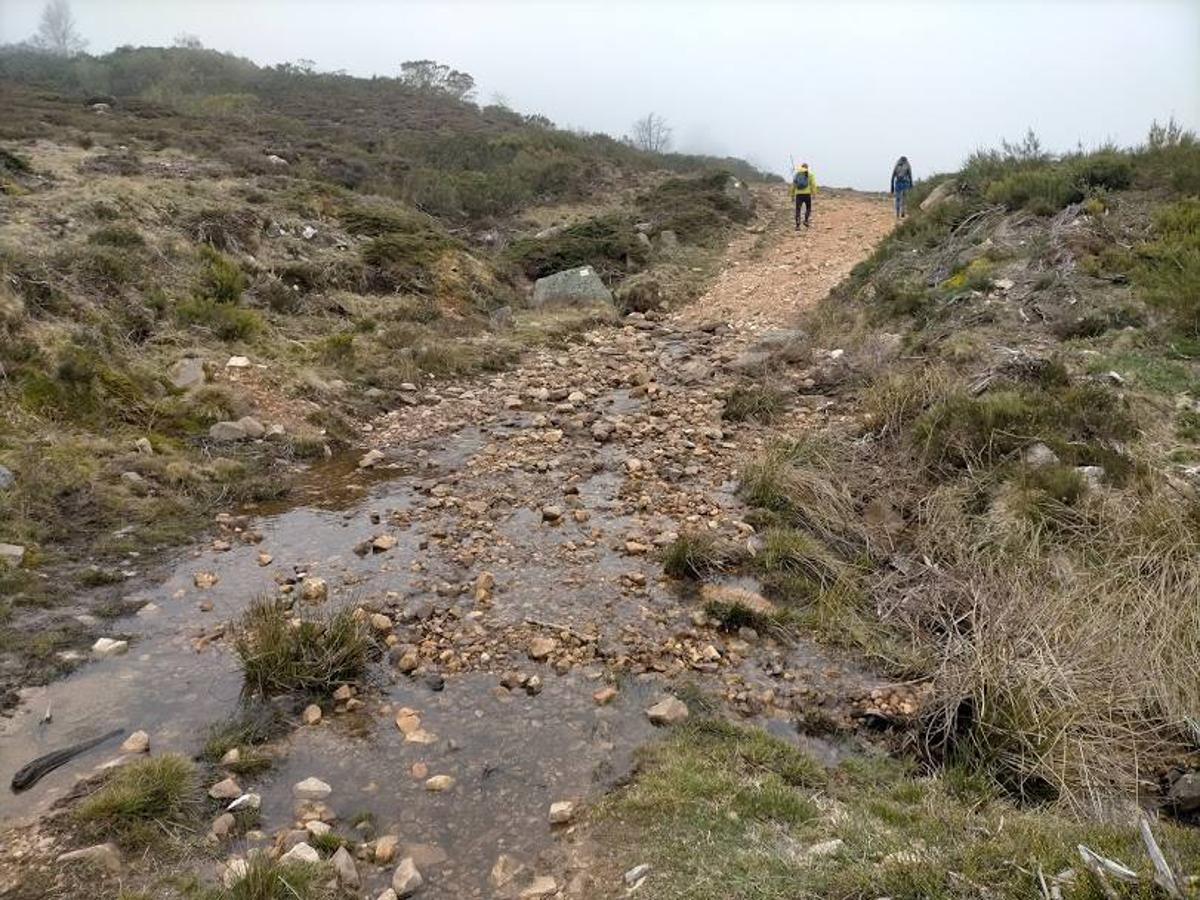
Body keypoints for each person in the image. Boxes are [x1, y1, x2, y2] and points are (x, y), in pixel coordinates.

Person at [791, 163, 816, 229]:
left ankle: (797, 225)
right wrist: (814, 194)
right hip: (807, 194)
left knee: (798, 209)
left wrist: (792, 195)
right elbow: (813, 185)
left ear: (801, 167)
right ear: (807, 168)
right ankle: (806, 220)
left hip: (798, 195)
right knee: (808, 208)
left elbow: (793, 186)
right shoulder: (810, 175)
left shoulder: (797, 175)